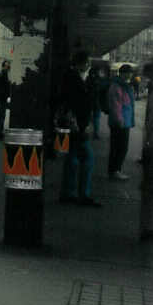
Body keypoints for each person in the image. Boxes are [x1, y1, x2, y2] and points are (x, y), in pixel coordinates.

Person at [59, 50, 101, 207]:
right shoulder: (70, 78)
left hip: (82, 124)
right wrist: (73, 120)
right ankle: (79, 194)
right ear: (78, 64)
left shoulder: (88, 78)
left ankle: (71, 193)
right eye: (86, 62)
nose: (89, 65)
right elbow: (66, 100)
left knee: (74, 158)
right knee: (83, 159)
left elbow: (91, 100)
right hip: (74, 124)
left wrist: (90, 121)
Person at [107, 64, 135, 180]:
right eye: (128, 72)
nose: (130, 75)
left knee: (118, 147)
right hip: (120, 123)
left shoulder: (124, 85)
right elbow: (115, 105)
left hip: (124, 121)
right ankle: (115, 171)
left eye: (131, 72)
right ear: (122, 73)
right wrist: (120, 120)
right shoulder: (117, 86)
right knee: (120, 148)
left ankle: (114, 170)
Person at [140, 60, 153, 240]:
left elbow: (150, 125)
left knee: (150, 191)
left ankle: (149, 226)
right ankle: (150, 228)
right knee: (152, 191)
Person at [0, 59, 11, 139]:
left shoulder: (2, 74)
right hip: (2, 97)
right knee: (1, 115)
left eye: (8, 66)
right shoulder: (3, 74)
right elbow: (3, 87)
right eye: (7, 66)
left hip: (1, 97)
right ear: (4, 66)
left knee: (0, 115)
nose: (8, 68)